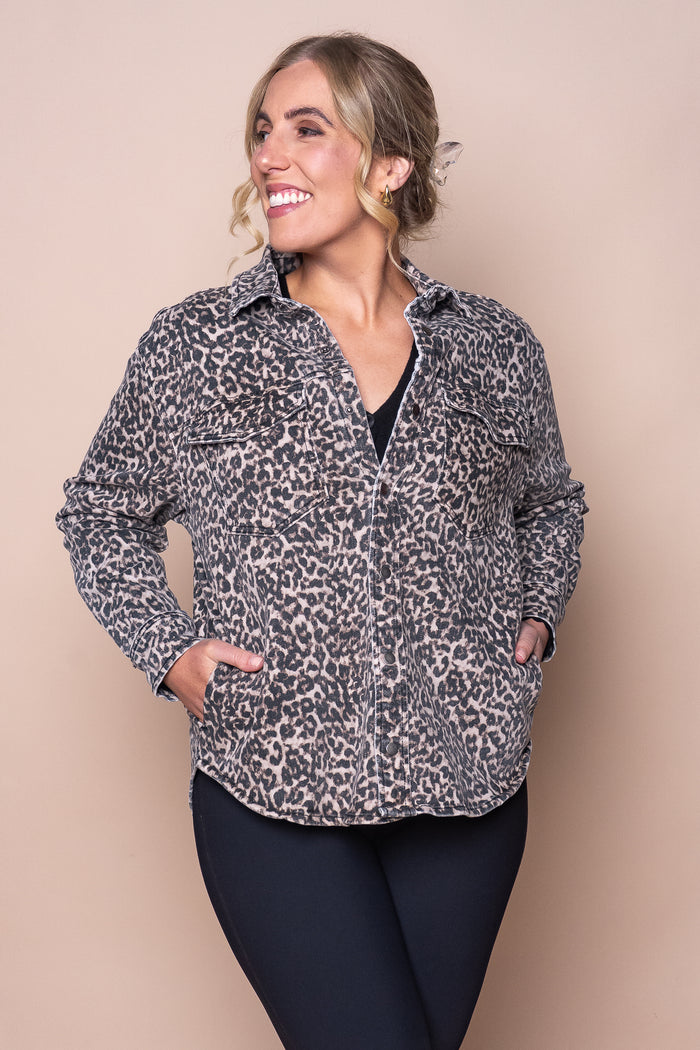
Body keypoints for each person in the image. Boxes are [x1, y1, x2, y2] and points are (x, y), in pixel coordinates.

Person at [57, 32, 586, 1050]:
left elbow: (551, 504)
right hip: (270, 780)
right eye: (263, 130)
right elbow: (100, 513)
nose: (269, 155)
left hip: (465, 787)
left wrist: (536, 615)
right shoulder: (199, 345)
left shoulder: (492, 347)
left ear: (390, 163)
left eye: (307, 129)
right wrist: (170, 651)